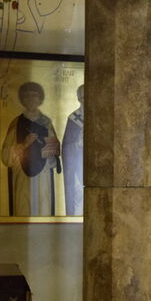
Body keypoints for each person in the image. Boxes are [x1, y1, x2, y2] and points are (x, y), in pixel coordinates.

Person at [1, 82, 61, 216]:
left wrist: (51, 152)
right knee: (23, 209)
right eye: (27, 96)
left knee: (43, 209)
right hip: (23, 176)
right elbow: (5, 156)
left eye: (34, 95)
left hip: (43, 176)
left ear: (40, 99)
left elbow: (55, 153)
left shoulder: (46, 122)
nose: (31, 99)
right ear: (22, 100)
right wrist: (24, 145)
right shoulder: (16, 123)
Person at [62, 84, 84, 216]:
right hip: (78, 167)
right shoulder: (74, 118)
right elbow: (66, 147)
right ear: (78, 98)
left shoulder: (100, 117)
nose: (85, 100)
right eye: (82, 97)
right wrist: (78, 143)